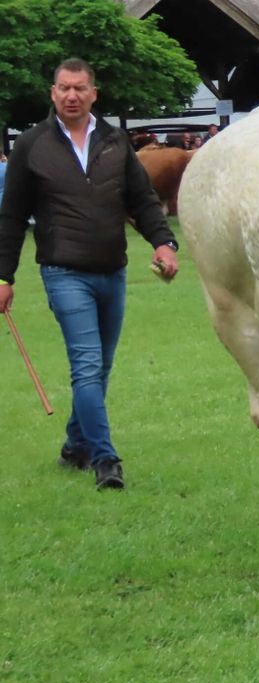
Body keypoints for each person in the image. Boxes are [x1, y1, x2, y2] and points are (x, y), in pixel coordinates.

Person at [0, 58, 180, 490]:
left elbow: (142, 200)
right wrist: (4, 276)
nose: (71, 96)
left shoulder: (115, 142)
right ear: (53, 92)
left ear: (93, 93)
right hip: (63, 272)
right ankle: (105, 459)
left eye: (80, 88)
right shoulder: (31, 145)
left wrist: (163, 243)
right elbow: (10, 216)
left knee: (101, 369)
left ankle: (74, 445)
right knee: (87, 365)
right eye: (64, 88)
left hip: (112, 271)